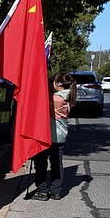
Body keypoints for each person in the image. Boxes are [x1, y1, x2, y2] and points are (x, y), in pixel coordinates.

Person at [31, 72, 77, 201]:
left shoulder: (56, 99)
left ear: (59, 85)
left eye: (53, 82)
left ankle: (42, 190)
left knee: (40, 163)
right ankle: (56, 191)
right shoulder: (69, 96)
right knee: (56, 164)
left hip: (47, 135)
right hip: (60, 137)